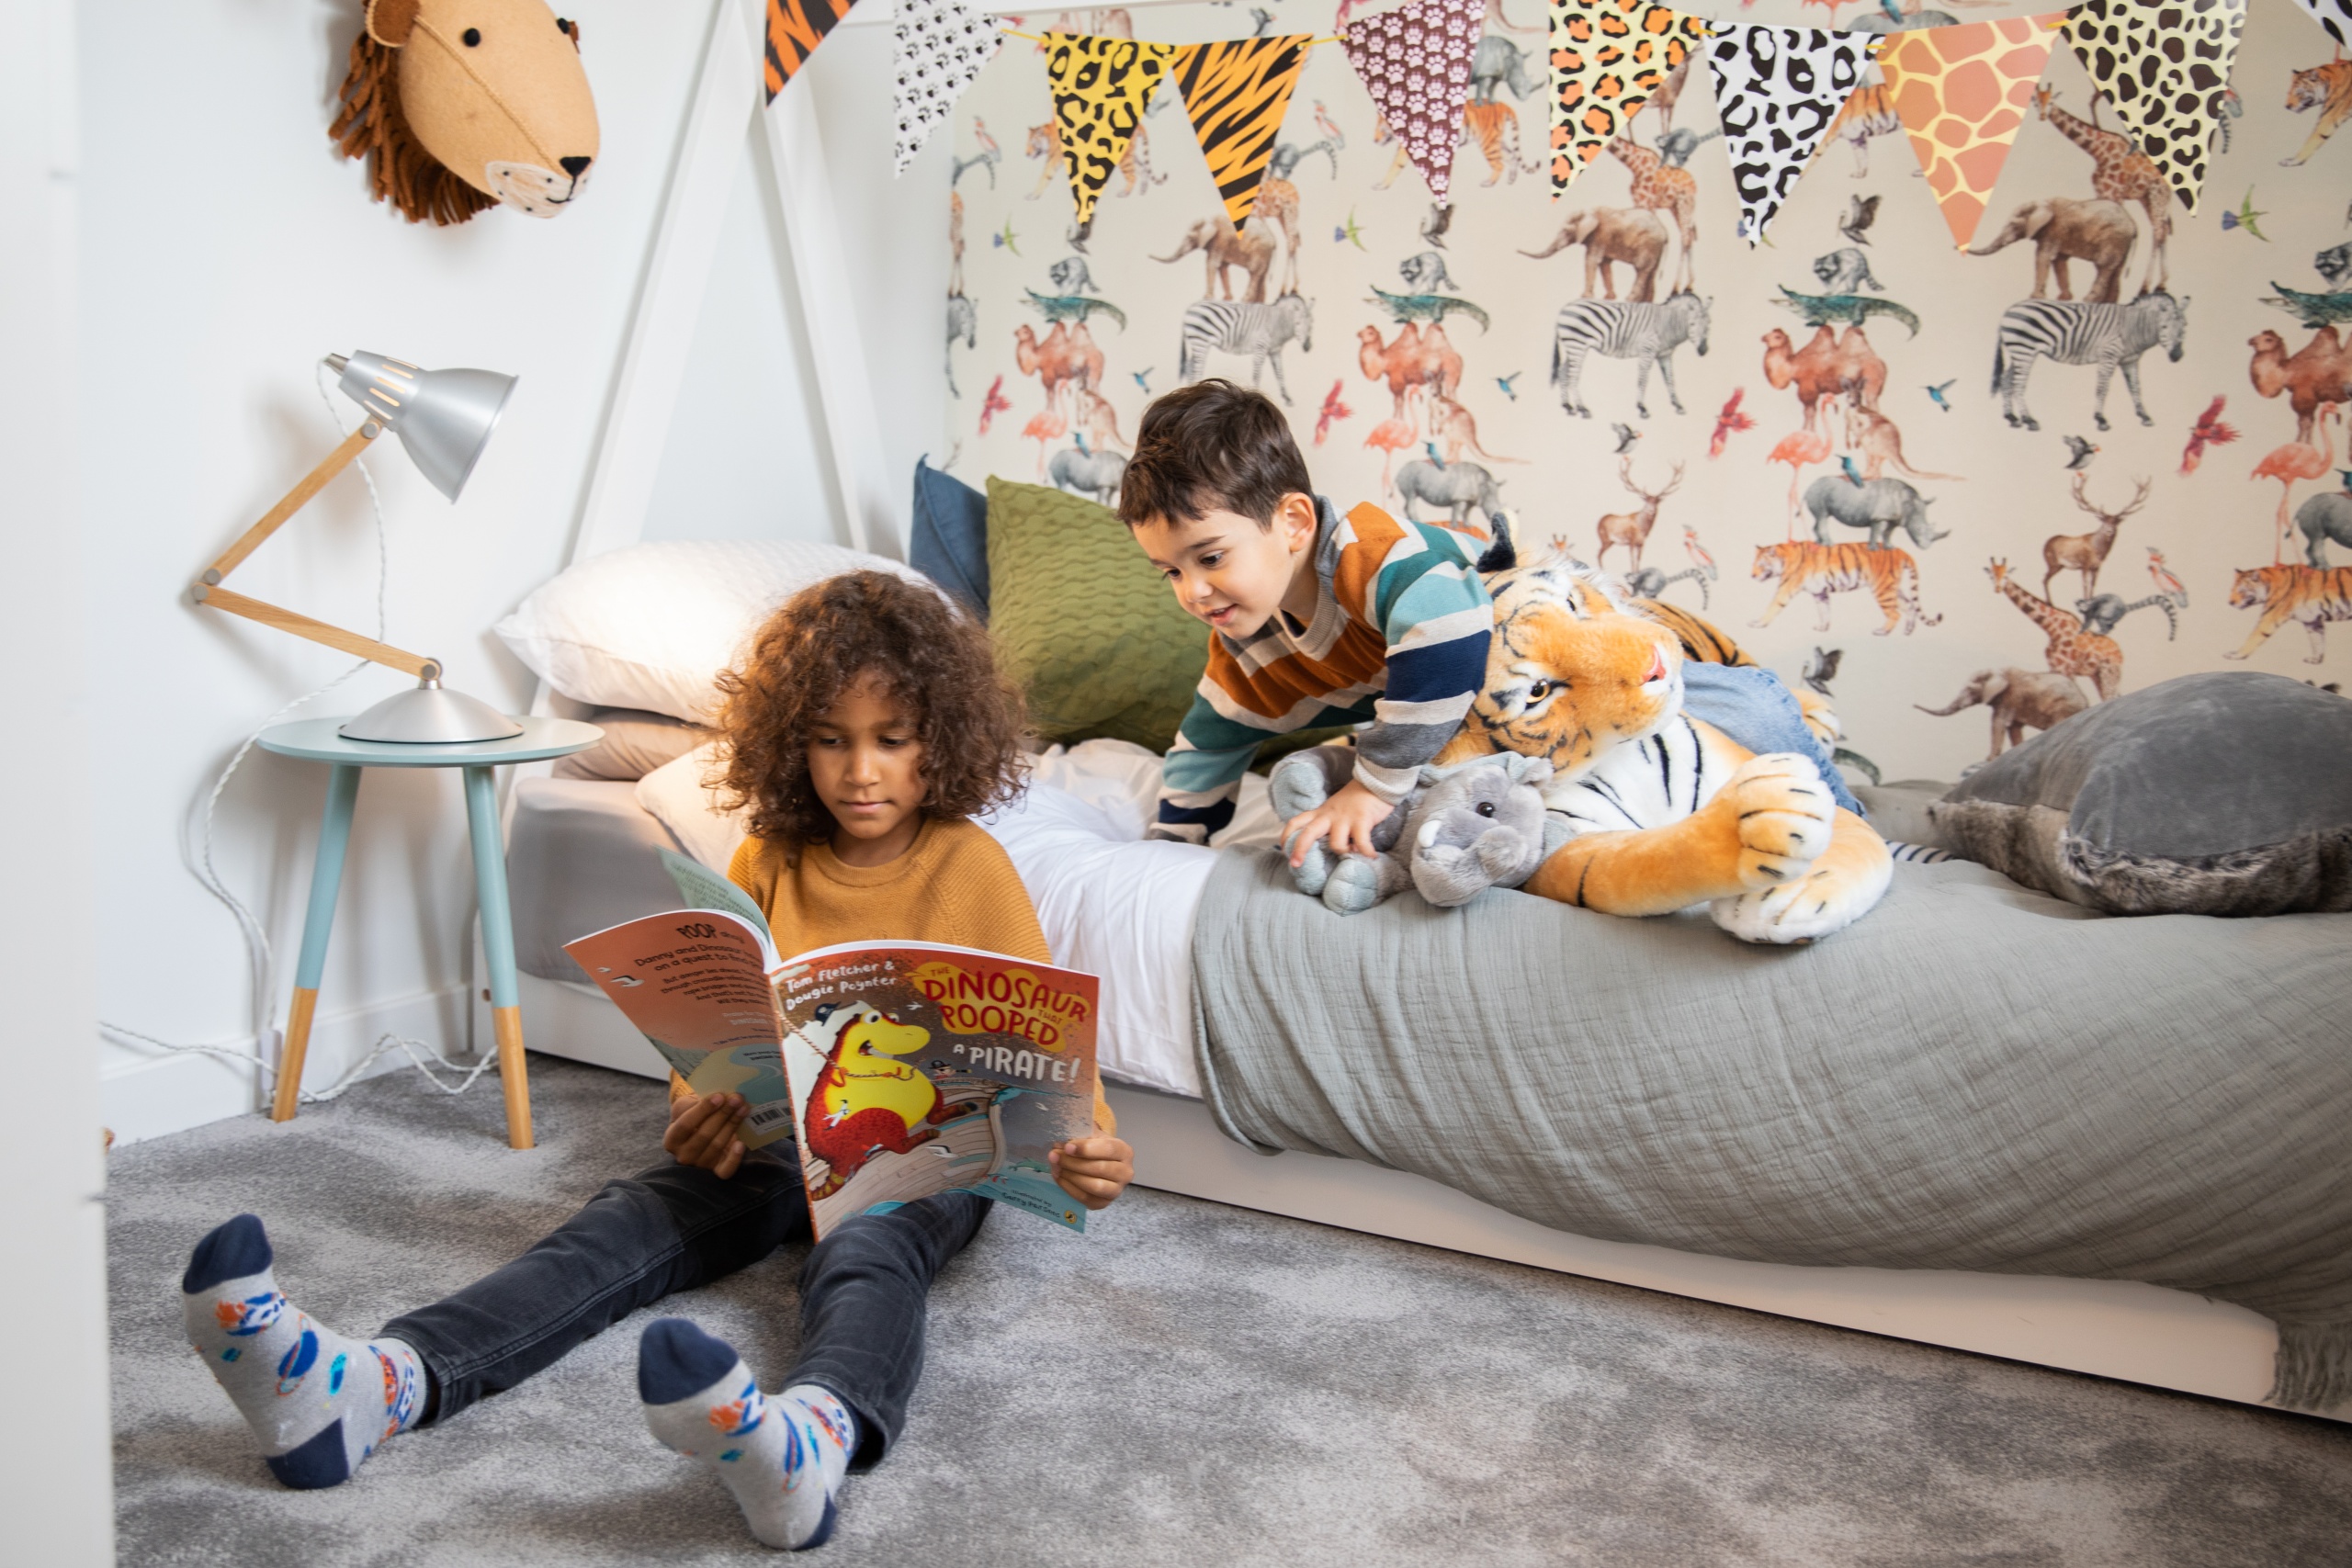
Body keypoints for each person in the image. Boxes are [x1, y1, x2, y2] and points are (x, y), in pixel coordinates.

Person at [177, 571, 1134, 1551]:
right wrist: (700, 1107)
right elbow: (726, 1016)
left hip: (924, 1154)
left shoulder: (972, 865)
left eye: (892, 739)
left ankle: (814, 1435)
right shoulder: (767, 855)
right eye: (829, 738)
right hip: (781, 1136)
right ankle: (372, 1385)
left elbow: (1040, 1043)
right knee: (631, 1213)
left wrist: (1085, 1146)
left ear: (944, 736)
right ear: (790, 741)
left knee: (868, 1249)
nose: (860, 771)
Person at [1119, 378, 1494, 863]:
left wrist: (1373, 786)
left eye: (1210, 558)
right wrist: (1169, 845)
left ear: (1293, 522)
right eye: (1172, 571)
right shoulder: (1251, 645)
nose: (1192, 591)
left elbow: (1449, 640)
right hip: (1479, 731)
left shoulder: (1377, 558)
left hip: (1554, 663)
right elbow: (1208, 743)